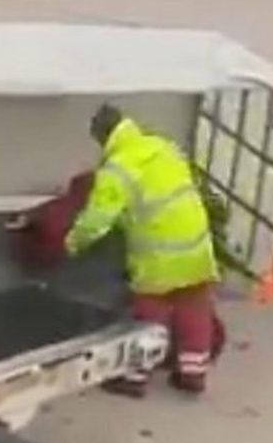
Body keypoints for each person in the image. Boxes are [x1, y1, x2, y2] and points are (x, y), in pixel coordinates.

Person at [65, 104, 223, 396]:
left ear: (103, 136)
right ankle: (193, 373)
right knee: (194, 309)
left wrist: (74, 242)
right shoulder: (161, 146)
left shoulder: (118, 168)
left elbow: (98, 219)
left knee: (149, 316)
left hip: (158, 256)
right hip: (197, 244)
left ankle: (134, 377)